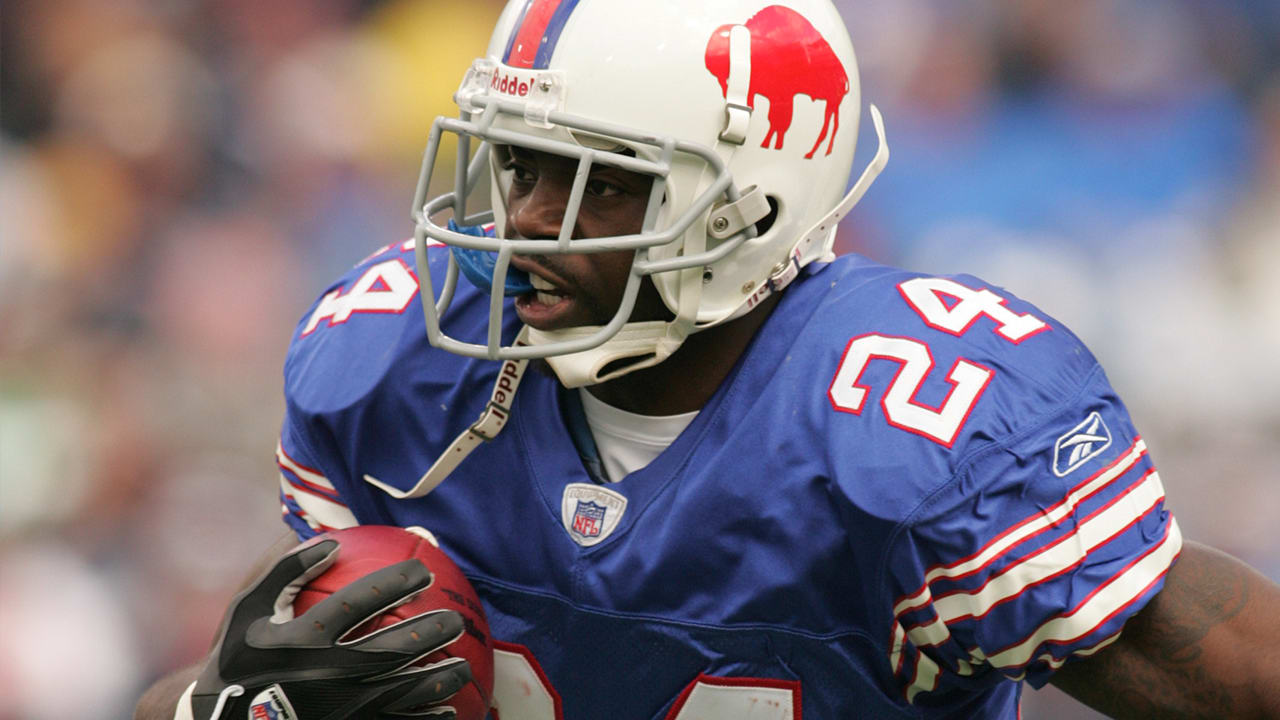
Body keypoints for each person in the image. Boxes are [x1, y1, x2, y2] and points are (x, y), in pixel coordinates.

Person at [137, 0, 1280, 718]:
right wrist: (226, 707)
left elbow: (1237, 673)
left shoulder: (905, 422)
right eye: (519, 165)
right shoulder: (401, 367)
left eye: (595, 181)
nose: (525, 219)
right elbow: (221, 687)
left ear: (748, 208)